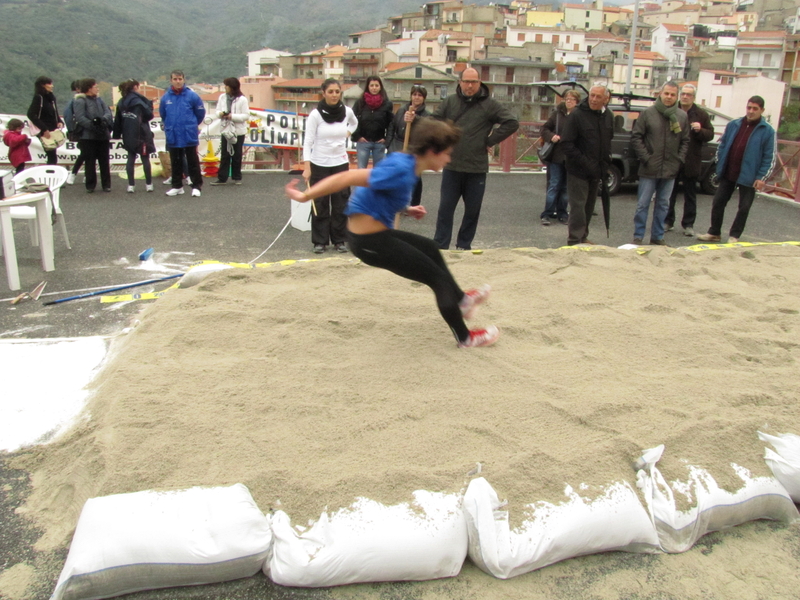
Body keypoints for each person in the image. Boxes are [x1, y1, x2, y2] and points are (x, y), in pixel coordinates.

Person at [285, 118, 498, 348]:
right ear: (431, 151)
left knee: (429, 247)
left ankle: (462, 301)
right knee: (437, 280)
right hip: (370, 243)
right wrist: (306, 196)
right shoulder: (401, 169)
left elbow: (380, 194)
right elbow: (346, 177)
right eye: (446, 153)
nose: (449, 159)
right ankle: (465, 338)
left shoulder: (406, 162)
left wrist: (406, 209)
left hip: (376, 236)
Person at [431, 68, 519, 251]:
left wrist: (490, 140)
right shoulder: (450, 103)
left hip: (476, 168)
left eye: (474, 82)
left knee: (472, 211)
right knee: (445, 210)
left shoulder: (489, 105)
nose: (470, 86)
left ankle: (464, 245)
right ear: (460, 82)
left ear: (480, 83)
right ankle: (441, 246)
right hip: (452, 166)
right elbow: (434, 122)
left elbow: (511, 122)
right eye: (466, 81)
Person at [697, 96, 776, 244]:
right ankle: (714, 232)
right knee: (718, 202)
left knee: (744, 207)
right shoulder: (734, 124)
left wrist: (761, 177)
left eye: (755, 109)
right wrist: (720, 164)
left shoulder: (768, 131)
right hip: (729, 171)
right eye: (749, 108)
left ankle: (734, 236)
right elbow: (722, 145)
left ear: (762, 110)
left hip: (750, 175)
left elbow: (769, 157)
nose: (751, 111)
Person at [302, 78, 358, 254]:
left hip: (340, 164)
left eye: (337, 91)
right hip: (320, 164)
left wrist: (348, 132)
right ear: (324, 93)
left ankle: (339, 240)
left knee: (341, 203)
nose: (334, 95)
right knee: (320, 203)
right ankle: (320, 241)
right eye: (331, 91)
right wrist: (307, 166)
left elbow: (355, 123)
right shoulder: (315, 115)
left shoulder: (347, 112)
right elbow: (308, 141)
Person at [630, 81, 689, 245]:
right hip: (649, 167)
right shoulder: (648, 113)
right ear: (660, 94)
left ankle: (657, 236)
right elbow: (636, 137)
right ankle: (638, 235)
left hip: (670, 168)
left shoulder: (682, 116)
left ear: (676, 97)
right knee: (643, 204)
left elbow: (685, 141)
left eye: (672, 94)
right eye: (666, 93)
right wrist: (646, 158)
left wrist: (679, 160)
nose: (669, 97)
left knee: (663, 204)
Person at [560, 84, 614, 246]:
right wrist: (585, 162)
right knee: (578, 205)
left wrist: (604, 165)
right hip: (578, 169)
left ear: (606, 99)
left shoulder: (608, 116)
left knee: (590, 206)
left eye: (598, 97)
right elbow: (567, 144)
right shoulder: (577, 115)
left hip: (597, 170)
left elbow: (608, 141)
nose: (594, 99)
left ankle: (583, 236)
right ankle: (574, 239)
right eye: (592, 95)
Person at [665, 84, 713, 237]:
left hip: (691, 159)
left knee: (690, 194)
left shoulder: (701, 114)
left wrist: (701, 130)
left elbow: (710, 134)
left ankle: (688, 224)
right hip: (673, 158)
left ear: (693, 97)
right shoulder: (672, 110)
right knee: (669, 193)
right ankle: (667, 221)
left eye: (689, 95)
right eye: (683, 94)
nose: (685, 97)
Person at [159, 70, 205, 198]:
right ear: (171, 80)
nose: (178, 81)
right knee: (175, 161)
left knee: (192, 160)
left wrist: (191, 125)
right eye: (175, 79)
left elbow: (200, 114)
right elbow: (163, 114)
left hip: (188, 133)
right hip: (173, 133)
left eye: (180, 79)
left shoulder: (192, 96)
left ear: (184, 80)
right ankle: (177, 186)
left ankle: (196, 186)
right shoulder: (166, 97)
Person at [385, 84, 430, 206]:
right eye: (414, 94)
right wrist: (388, 144)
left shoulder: (426, 115)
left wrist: (415, 119)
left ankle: (414, 204)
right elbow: (392, 126)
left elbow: (427, 127)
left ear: (424, 98)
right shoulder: (402, 110)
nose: (416, 97)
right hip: (398, 145)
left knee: (414, 177)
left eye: (419, 95)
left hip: (414, 148)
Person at [540, 89, 580, 226]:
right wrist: (552, 137)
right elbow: (544, 129)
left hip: (571, 157)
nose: (569, 101)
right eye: (566, 98)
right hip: (556, 155)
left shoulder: (579, 116)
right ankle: (547, 213)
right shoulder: (557, 114)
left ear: (577, 102)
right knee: (554, 184)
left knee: (566, 187)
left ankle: (562, 213)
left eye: (572, 99)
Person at [113, 79, 155, 193]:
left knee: (130, 158)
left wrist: (116, 134)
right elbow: (149, 115)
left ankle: (131, 185)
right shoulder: (138, 101)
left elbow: (118, 120)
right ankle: (149, 184)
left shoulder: (121, 102)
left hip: (128, 133)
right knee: (145, 158)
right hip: (141, 133)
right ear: (135, 87)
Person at [73, 78, 113, 193]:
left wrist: (103, 121)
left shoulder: (99, 100)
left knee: (104, 160)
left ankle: (106, 184)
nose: (97, 88)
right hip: (88, 136)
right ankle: (90, 185)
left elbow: (107, 112)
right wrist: (93, 125)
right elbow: (80, 118)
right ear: (89, 88)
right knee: (90, 161)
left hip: (103, 134)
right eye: (95, 86)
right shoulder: (80, 101)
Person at [211, 77, 250, 186]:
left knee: (237, 154)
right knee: (225, 154)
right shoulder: (222, 97)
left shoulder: (242, 99)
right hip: (226, 129)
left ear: (232, 87)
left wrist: (232, 116)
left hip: (238, 131)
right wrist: (221, 114)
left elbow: (246, 115)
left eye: (227, 86)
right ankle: (222, 177)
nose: (225, 88)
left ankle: (237, 177)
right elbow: (217, 111)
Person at [351, 76, 393, 169]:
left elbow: (391, 123)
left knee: (378, 171)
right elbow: (352, 119)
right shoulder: (360, 102)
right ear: (368, 87)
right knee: (361, 171)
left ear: (380, 87)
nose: (374, 88)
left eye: (376, 85)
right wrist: (358, 136)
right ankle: (361, 184)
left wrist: (386, 138)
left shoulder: (387, 103)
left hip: (379, 142)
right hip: (363, 142)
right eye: (372, 85)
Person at [27, 76, 63, 165]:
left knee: (53, 155)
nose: (52, 86)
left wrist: (59, 121)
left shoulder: (51, 98)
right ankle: (50, 175)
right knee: (51, 155)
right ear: (43, 85)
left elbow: (55, 112)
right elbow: (31, 114)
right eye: (49, 84)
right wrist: (44, 129)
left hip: (52, 129)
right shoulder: (39, 97)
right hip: (44, 130)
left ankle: (52, 174)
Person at [63, 80, 86, 185]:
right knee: (84, 154)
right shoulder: (74, 101)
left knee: (88, 154)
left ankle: (85, 174)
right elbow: (68, 116)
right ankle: (73, 174)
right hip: (81, 131)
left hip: (86, 130)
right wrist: (73, 130)